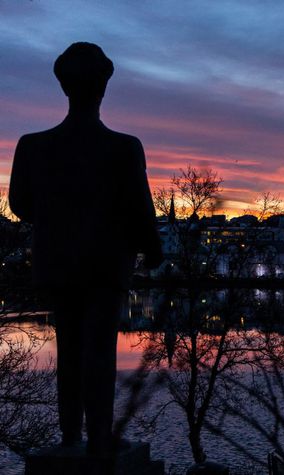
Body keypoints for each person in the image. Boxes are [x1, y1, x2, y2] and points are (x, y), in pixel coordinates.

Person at [9, 42, 163, 455]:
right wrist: (154, 250)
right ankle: (98, 437)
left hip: (58, 262)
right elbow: (139, 209)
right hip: (106, 264)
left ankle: (71, 437)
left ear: (64, 87)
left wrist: (59, 216)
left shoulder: (32, 145)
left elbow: (20, 205)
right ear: (103, 88)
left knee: (70, 349)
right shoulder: (123, 147)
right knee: (99, 350)